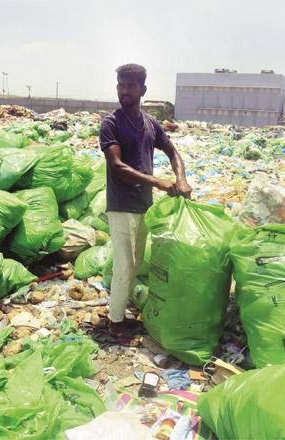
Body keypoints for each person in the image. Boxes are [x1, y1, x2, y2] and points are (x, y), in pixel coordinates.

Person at [99, 63, 192, 342]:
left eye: (130, 85)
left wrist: (181, 178)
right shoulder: (111, 123)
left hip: (143, 205)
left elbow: (172, 150)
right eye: (120, 85)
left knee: (137, 264)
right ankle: (115, 323)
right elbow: (117, 165)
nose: (124, 90)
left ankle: (123, 311)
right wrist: (159, 183)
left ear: (143, 89)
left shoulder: (150, 123)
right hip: (121, 204)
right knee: (125, 265)